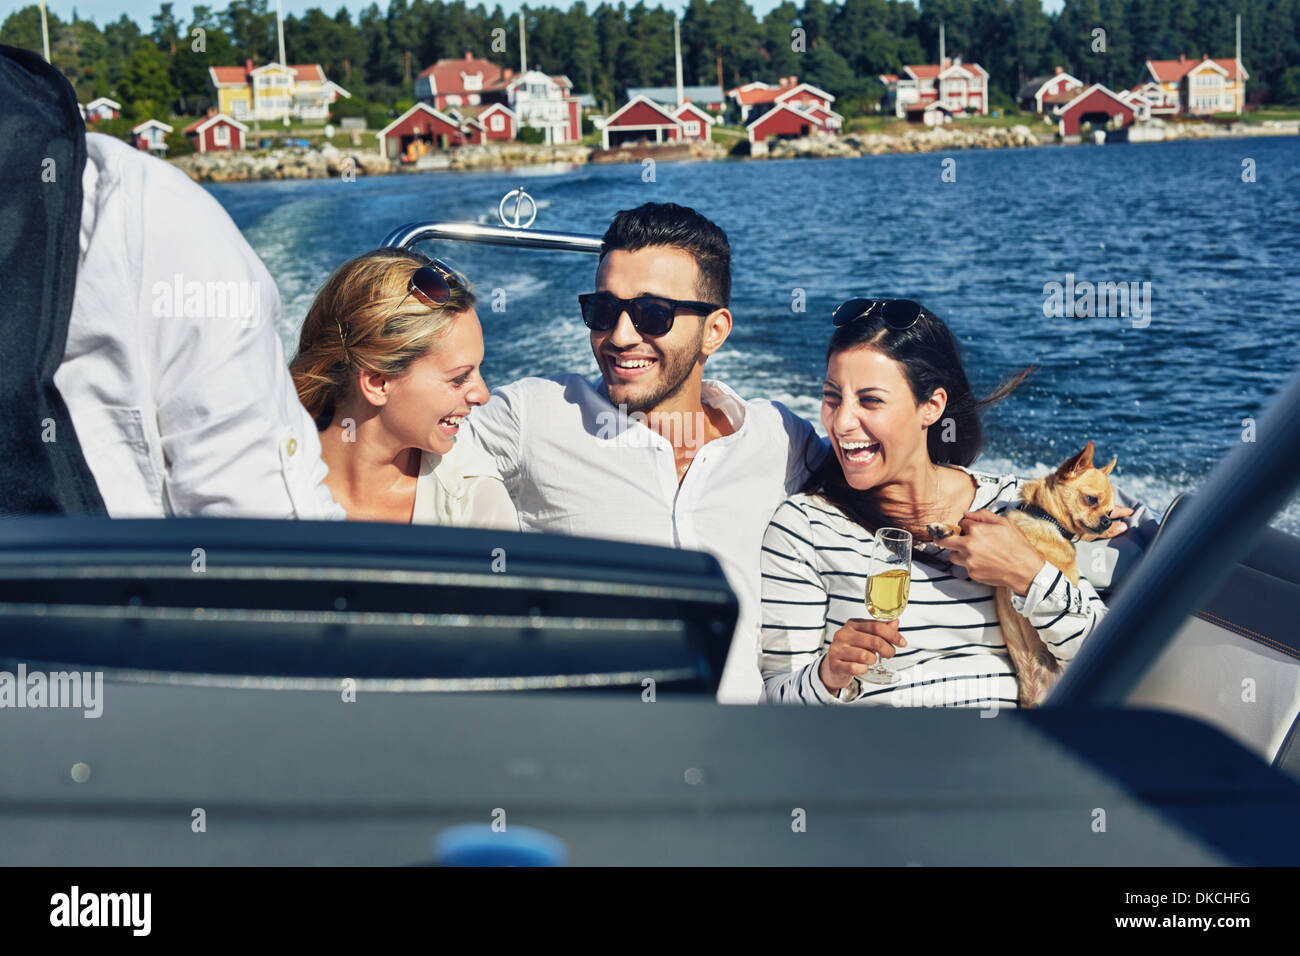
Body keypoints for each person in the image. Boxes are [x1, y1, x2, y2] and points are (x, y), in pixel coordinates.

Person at [464, 202, 826, 703]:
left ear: (715, 331)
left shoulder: (779, 438)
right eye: (604, 310)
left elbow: (884, 486)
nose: (620, 336)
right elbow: (394, 446)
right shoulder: (534, 417)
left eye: (652, 314)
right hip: (596, 758)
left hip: (741, 753)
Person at [758, 298, 1138, 707]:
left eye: (870, 401)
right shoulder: (805, 529)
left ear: (931, 407)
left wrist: (1028, 573)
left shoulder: (1015, 507)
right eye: (832, 397)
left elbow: (1116, 658)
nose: (841, 421)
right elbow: (778, 700)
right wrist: (829, 674)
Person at [54, 130, 343, 519]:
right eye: (455, 379)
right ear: (376, 382)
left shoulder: (133, 209)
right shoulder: (139, 209)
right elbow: (254, 514)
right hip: (111, 573)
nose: (459, 398)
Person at [290, 248, 517, 529]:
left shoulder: (474, 500)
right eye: (459, 378)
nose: (483, 395)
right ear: (377, 382)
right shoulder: (261, 478)